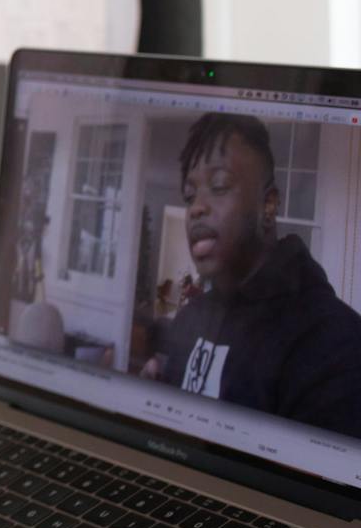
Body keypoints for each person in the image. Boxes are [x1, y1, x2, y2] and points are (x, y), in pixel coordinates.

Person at [137, 113, 361, 440]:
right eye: (189, 195)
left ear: (268, 205)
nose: (196, 208)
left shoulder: (335, 344)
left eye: (219, 186)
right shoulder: (189, 320)